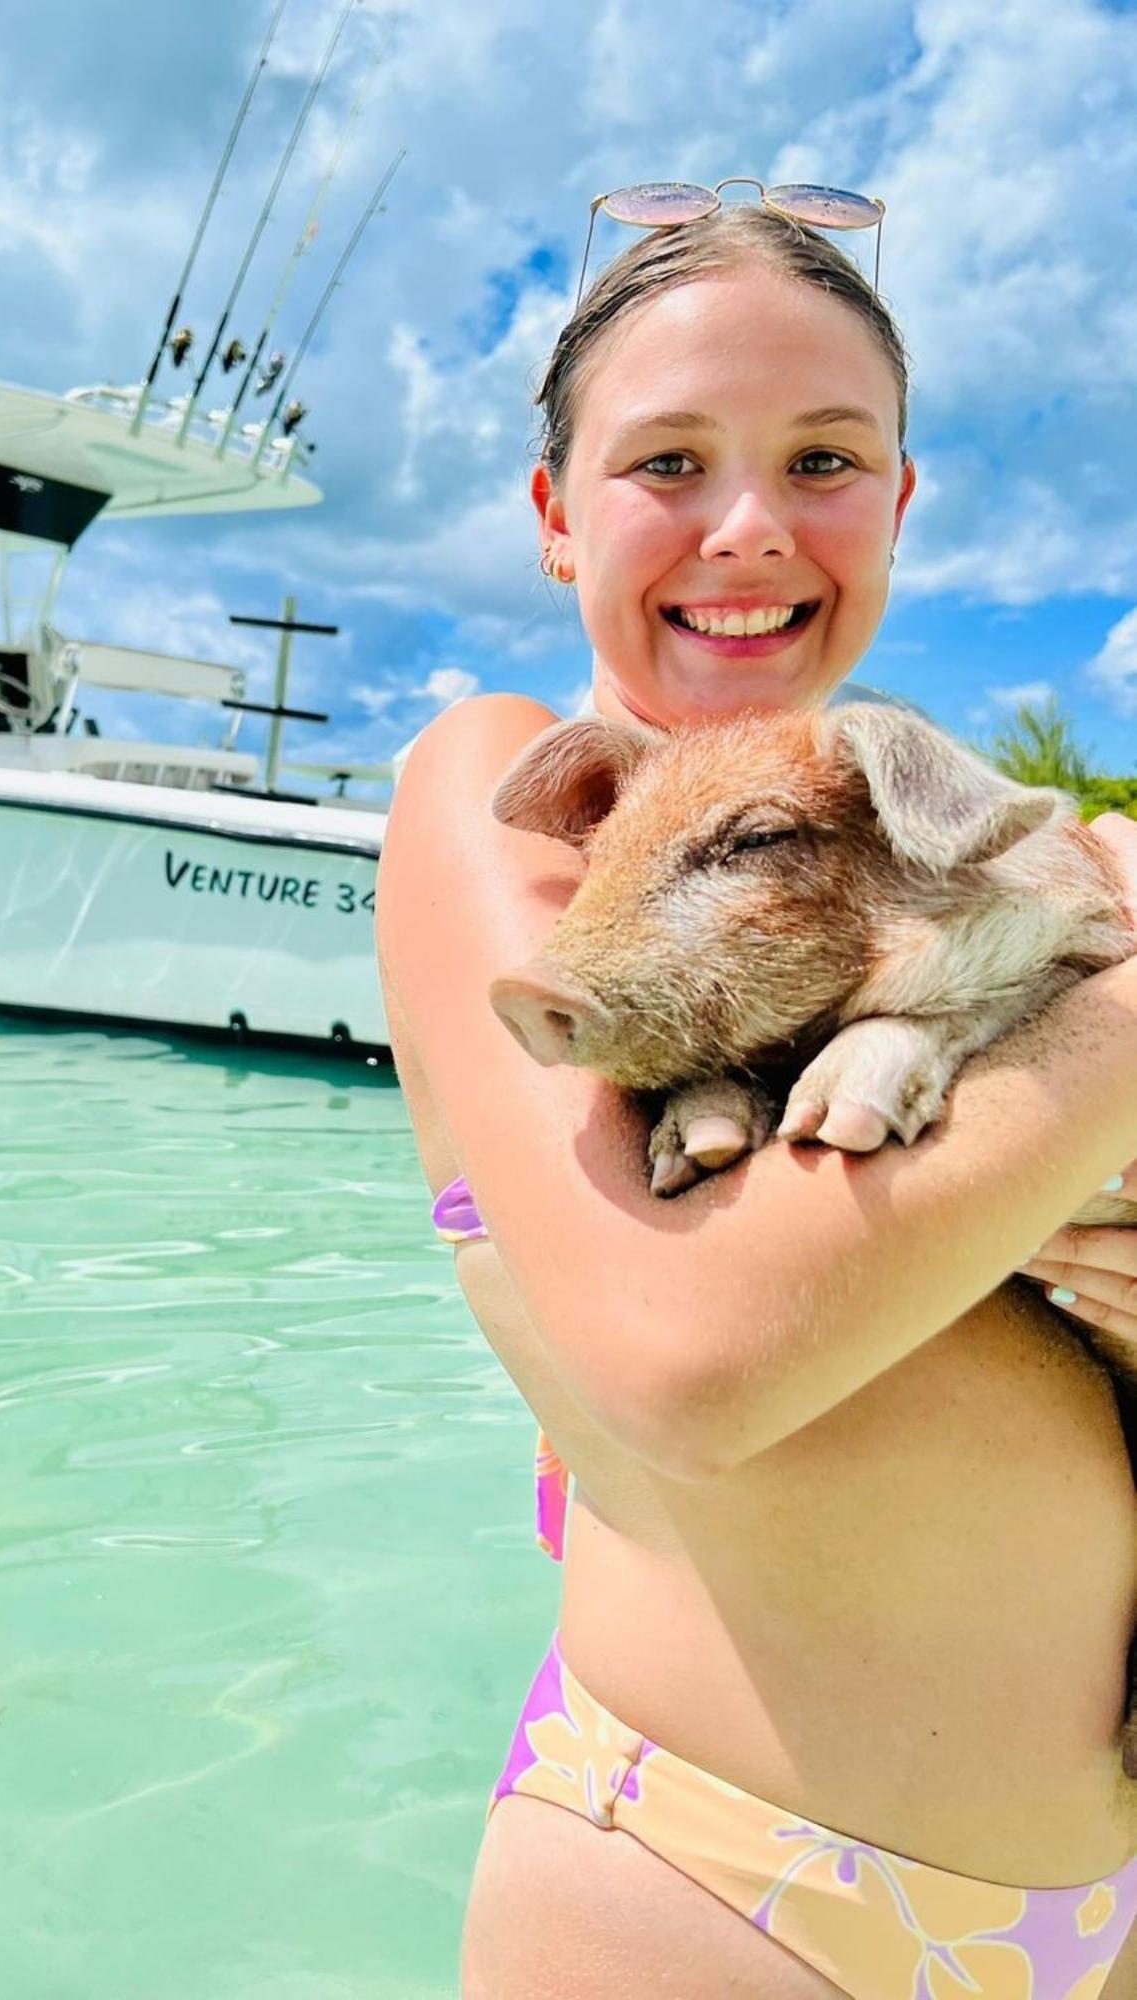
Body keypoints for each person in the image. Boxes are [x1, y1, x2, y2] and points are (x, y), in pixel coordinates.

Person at [376, 192, 1137, 2000]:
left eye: (822, 457)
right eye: (666, 461)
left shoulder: (928, 843)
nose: (748, 527)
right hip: (728, 1888)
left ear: (898, 500)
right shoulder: (511, 790)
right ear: (557, 515)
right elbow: (690, 1357)